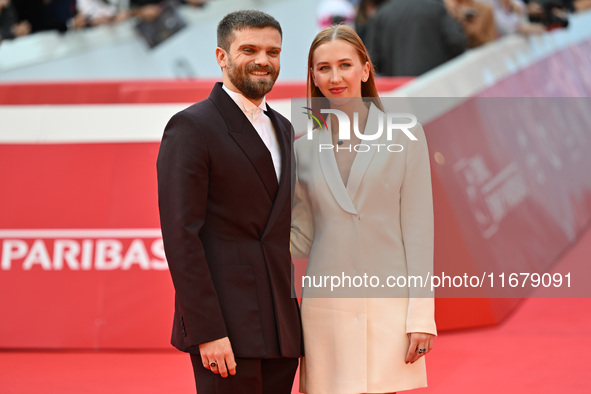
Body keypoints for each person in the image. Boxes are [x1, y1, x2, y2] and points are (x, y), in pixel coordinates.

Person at [157, 10, 302, 394]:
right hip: (226, 328)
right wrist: (207, 331)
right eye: (249, 49)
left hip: (281, 328)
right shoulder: (191, 126)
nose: (263, 60)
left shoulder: (284, 128)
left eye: (273, 51)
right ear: (222, 57)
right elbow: (181, 237)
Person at [291, 25, 437, 393]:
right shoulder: (303, 148)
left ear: (366, 69)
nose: (335, 77)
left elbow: (418, 230)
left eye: (345, 64)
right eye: (323, 68)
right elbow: (304, 237)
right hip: (326, 313)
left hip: (390, 309)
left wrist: (421, 316)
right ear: (313, 76)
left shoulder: (406, 135)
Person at [365, 0, 466, 76]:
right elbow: (456, 42)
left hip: (399, 88)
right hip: (433, 81)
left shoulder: (382, 14)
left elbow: (373, 59)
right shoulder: (435, 7)